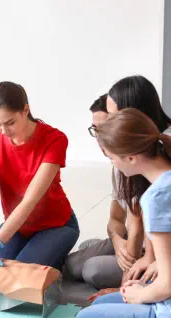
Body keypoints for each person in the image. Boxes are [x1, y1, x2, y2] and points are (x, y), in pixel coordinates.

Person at [75, 108, 171, 318]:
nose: (112, 164)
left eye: (111, 158)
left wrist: (142, 295)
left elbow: (168, 283)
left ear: (130, 157)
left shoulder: (158, 197)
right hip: (165, 299)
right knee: (103, 304)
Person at [65, 76, 171, 289]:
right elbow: (119, 217)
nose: (107, 124)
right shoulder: (130, 156)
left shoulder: (154, 161)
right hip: (148, 245)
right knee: (75, 262)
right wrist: (117, 240)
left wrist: (127, 288)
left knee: (90, 270)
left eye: (113, 115)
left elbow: (146, 222)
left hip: (160, 251)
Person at [0, 81, 79, 275]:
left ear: (26, 110)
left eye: (10, 122)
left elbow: (30, 201)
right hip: (17, 226)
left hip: (56, 225)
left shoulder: (55, 139)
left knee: (18, 275)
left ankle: (59, 259)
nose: (3, 131)